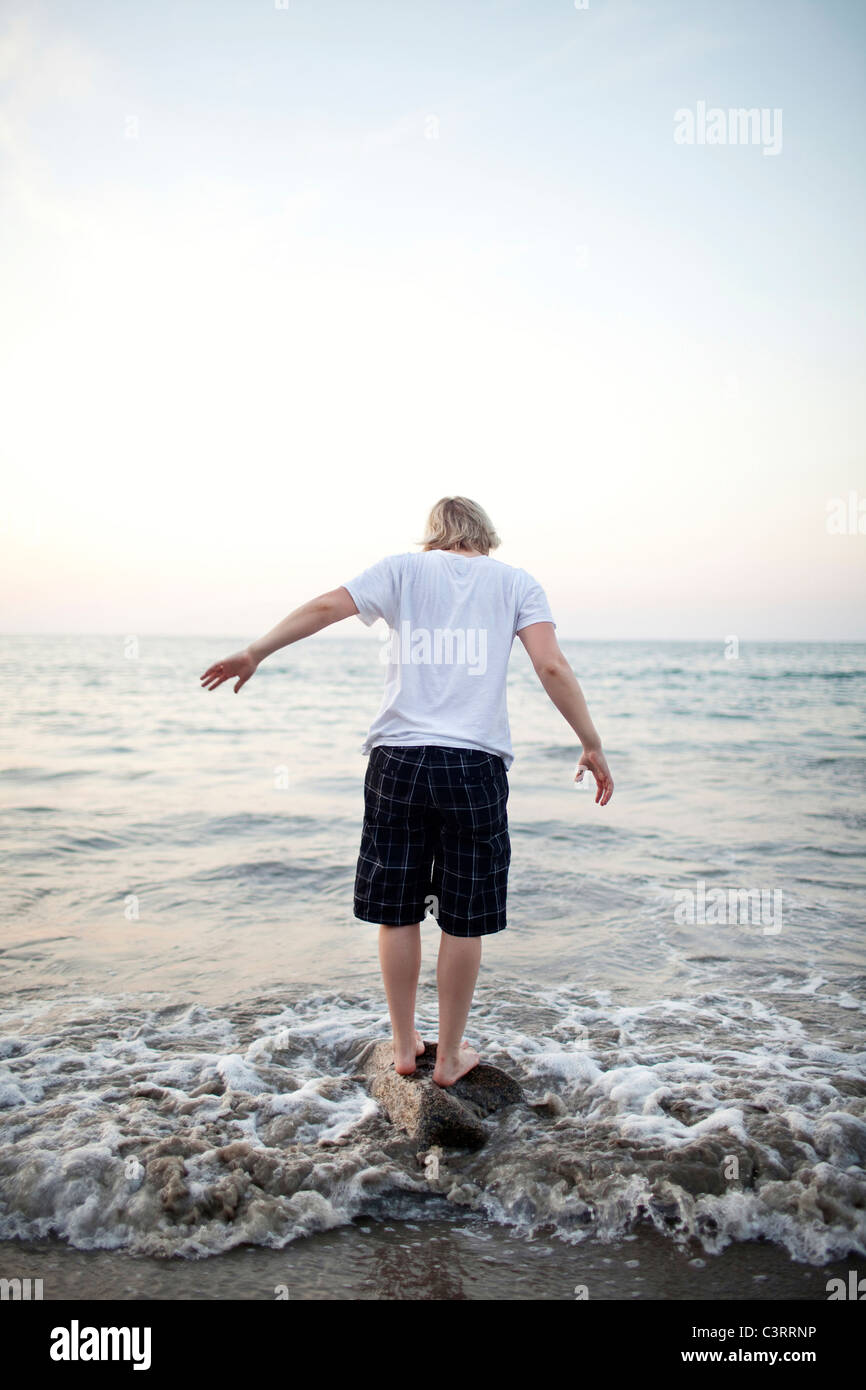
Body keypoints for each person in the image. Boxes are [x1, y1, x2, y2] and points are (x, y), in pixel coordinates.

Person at [200, 497, 613, 1087]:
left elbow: (323, 608)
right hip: (474, 765)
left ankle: (402, 1045)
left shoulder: (401, 570)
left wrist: (255, 650)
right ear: (485, 537)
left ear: (434, 536)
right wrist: (590, 742)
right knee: (464, 919)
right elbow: (551, 666)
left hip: (398, 759)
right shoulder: (518, 583)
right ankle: (447, 1058)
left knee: (396, 912)